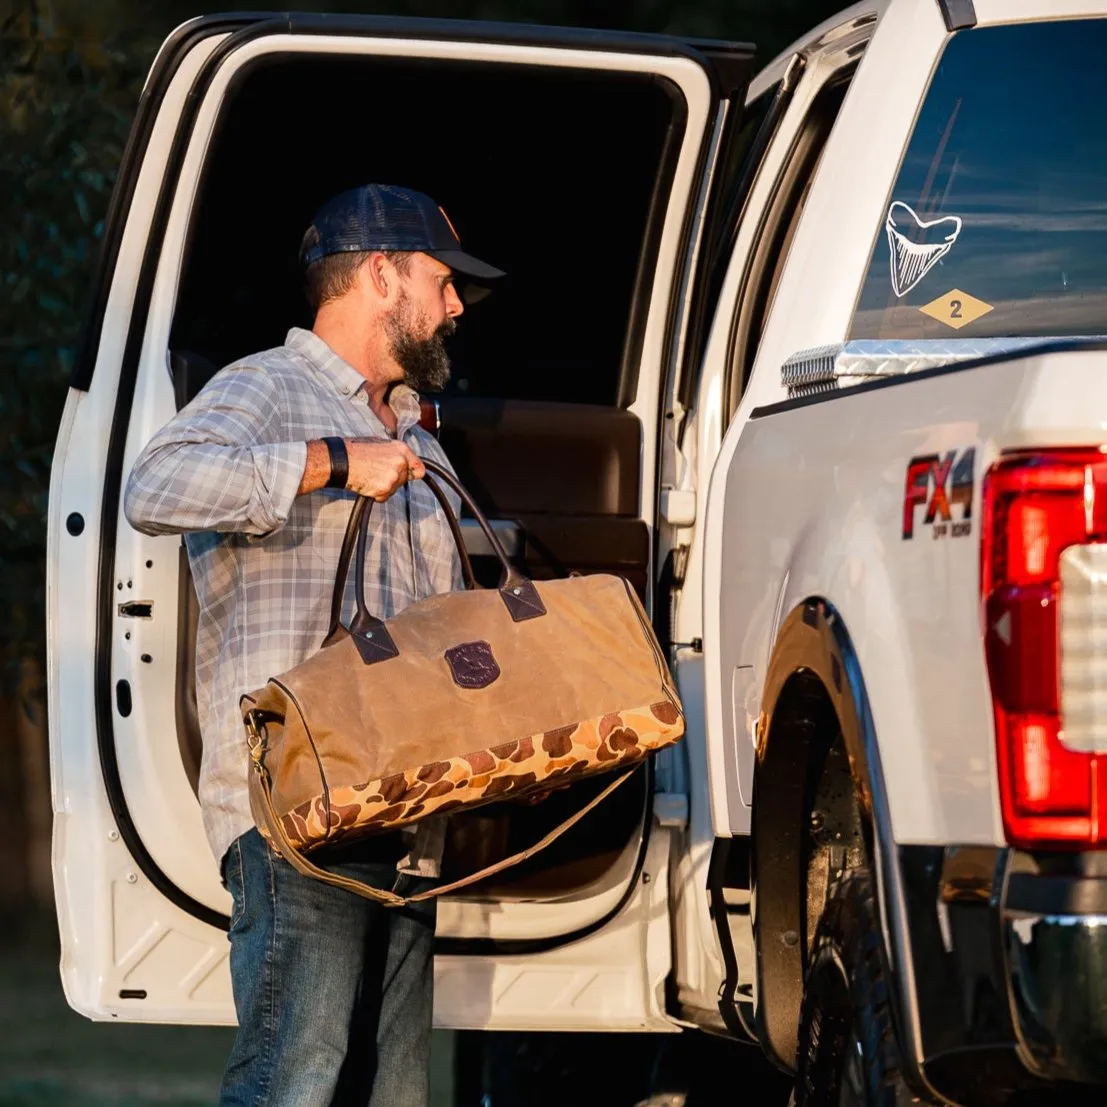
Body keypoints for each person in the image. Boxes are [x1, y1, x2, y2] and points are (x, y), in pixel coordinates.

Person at [124, 183, 503, 1107]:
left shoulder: (422, 437)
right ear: (379, 275)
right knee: (296, 1080)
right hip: (301, 808)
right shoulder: (265, 387)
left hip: (407, 813)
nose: (455, 305)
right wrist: (329, 462)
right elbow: (153, 485)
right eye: (441, 281)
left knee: (396, 1092)